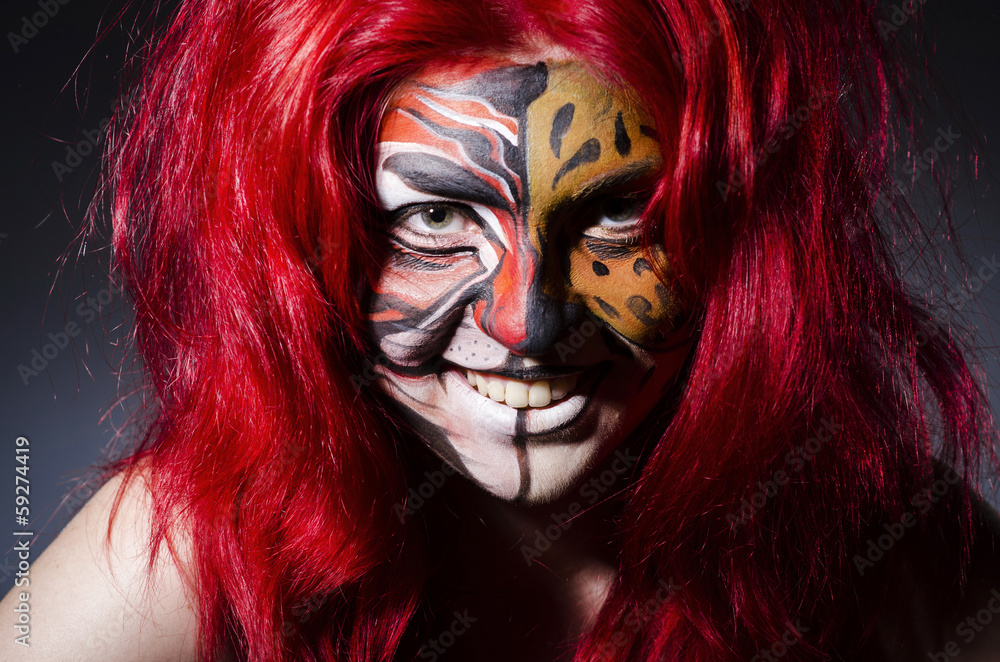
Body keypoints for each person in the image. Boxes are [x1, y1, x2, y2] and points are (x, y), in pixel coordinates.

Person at [3, 0, 1000, 660]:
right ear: (306, 243)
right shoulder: (190, 560)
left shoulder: (892, 548)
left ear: (735, 237)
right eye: (433, 219)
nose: (526, 322)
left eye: (617, 217)